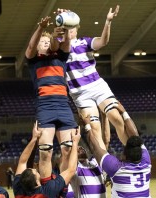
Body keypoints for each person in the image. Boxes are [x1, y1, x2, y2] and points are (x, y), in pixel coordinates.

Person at [52, 6, 129, 150]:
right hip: (80, 93)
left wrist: (108, 22)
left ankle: (132, 156)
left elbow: (103, 42)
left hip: (98, 86)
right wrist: (62, 22)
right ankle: (105, 166)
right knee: (94, 127)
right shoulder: (59, 47)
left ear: (77, 29)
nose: (70, 29)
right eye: (67, 27)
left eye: (72, 27)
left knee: (117, 118)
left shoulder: (85, 42)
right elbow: (54, 43)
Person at [25, 15, 77, 179]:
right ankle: (48, 190)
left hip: (63, 106)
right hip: (45, 107)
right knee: (46, 152)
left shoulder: (60, 57)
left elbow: (63, 43)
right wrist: (40, 28)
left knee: (68, 149)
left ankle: (63, 190)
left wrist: (65, 28)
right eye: (42, 41)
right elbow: (31, 46)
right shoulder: (33, 60)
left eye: (48, 41)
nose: (45, 43)